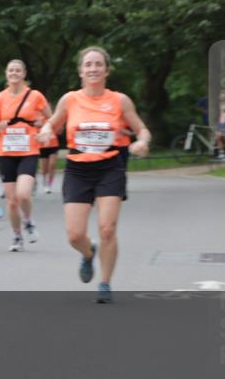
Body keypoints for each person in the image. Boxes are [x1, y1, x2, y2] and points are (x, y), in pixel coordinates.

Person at [38, 46, 151, 303]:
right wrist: (46, 131)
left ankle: (105, 283)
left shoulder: (119, 101)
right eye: (88, 64)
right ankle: (89, 254)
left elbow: (142, 129)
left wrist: (142, 142)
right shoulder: (70, 100)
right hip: (78, 169)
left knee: (107, 229)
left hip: (110, 167)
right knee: (75, 235)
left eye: (98, 64)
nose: (93, 69)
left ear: (107, 70)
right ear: (80, 71)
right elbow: (52, 123)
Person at [0, 60, 51, 252]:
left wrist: (42, 126)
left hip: (28, 151)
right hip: (6, 152)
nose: (14, 73)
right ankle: (16, 235)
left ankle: (28, 221)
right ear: (7, 74)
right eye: (11, 70)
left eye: (18, 70)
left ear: (24, 74)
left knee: (23, 194)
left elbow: (51, 118)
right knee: (12, 200)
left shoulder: (35, 96)